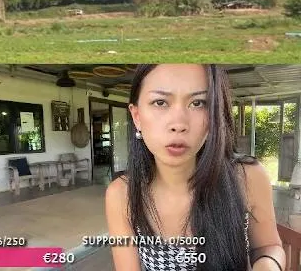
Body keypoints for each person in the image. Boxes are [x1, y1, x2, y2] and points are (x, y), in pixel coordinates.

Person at [104, 64, 287, 271]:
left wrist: (267, 265)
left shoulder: (247, 177)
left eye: (198, 103)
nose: (179, 124)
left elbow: (269, 246)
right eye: (160, 102)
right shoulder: (122, 195)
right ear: (137, 117)